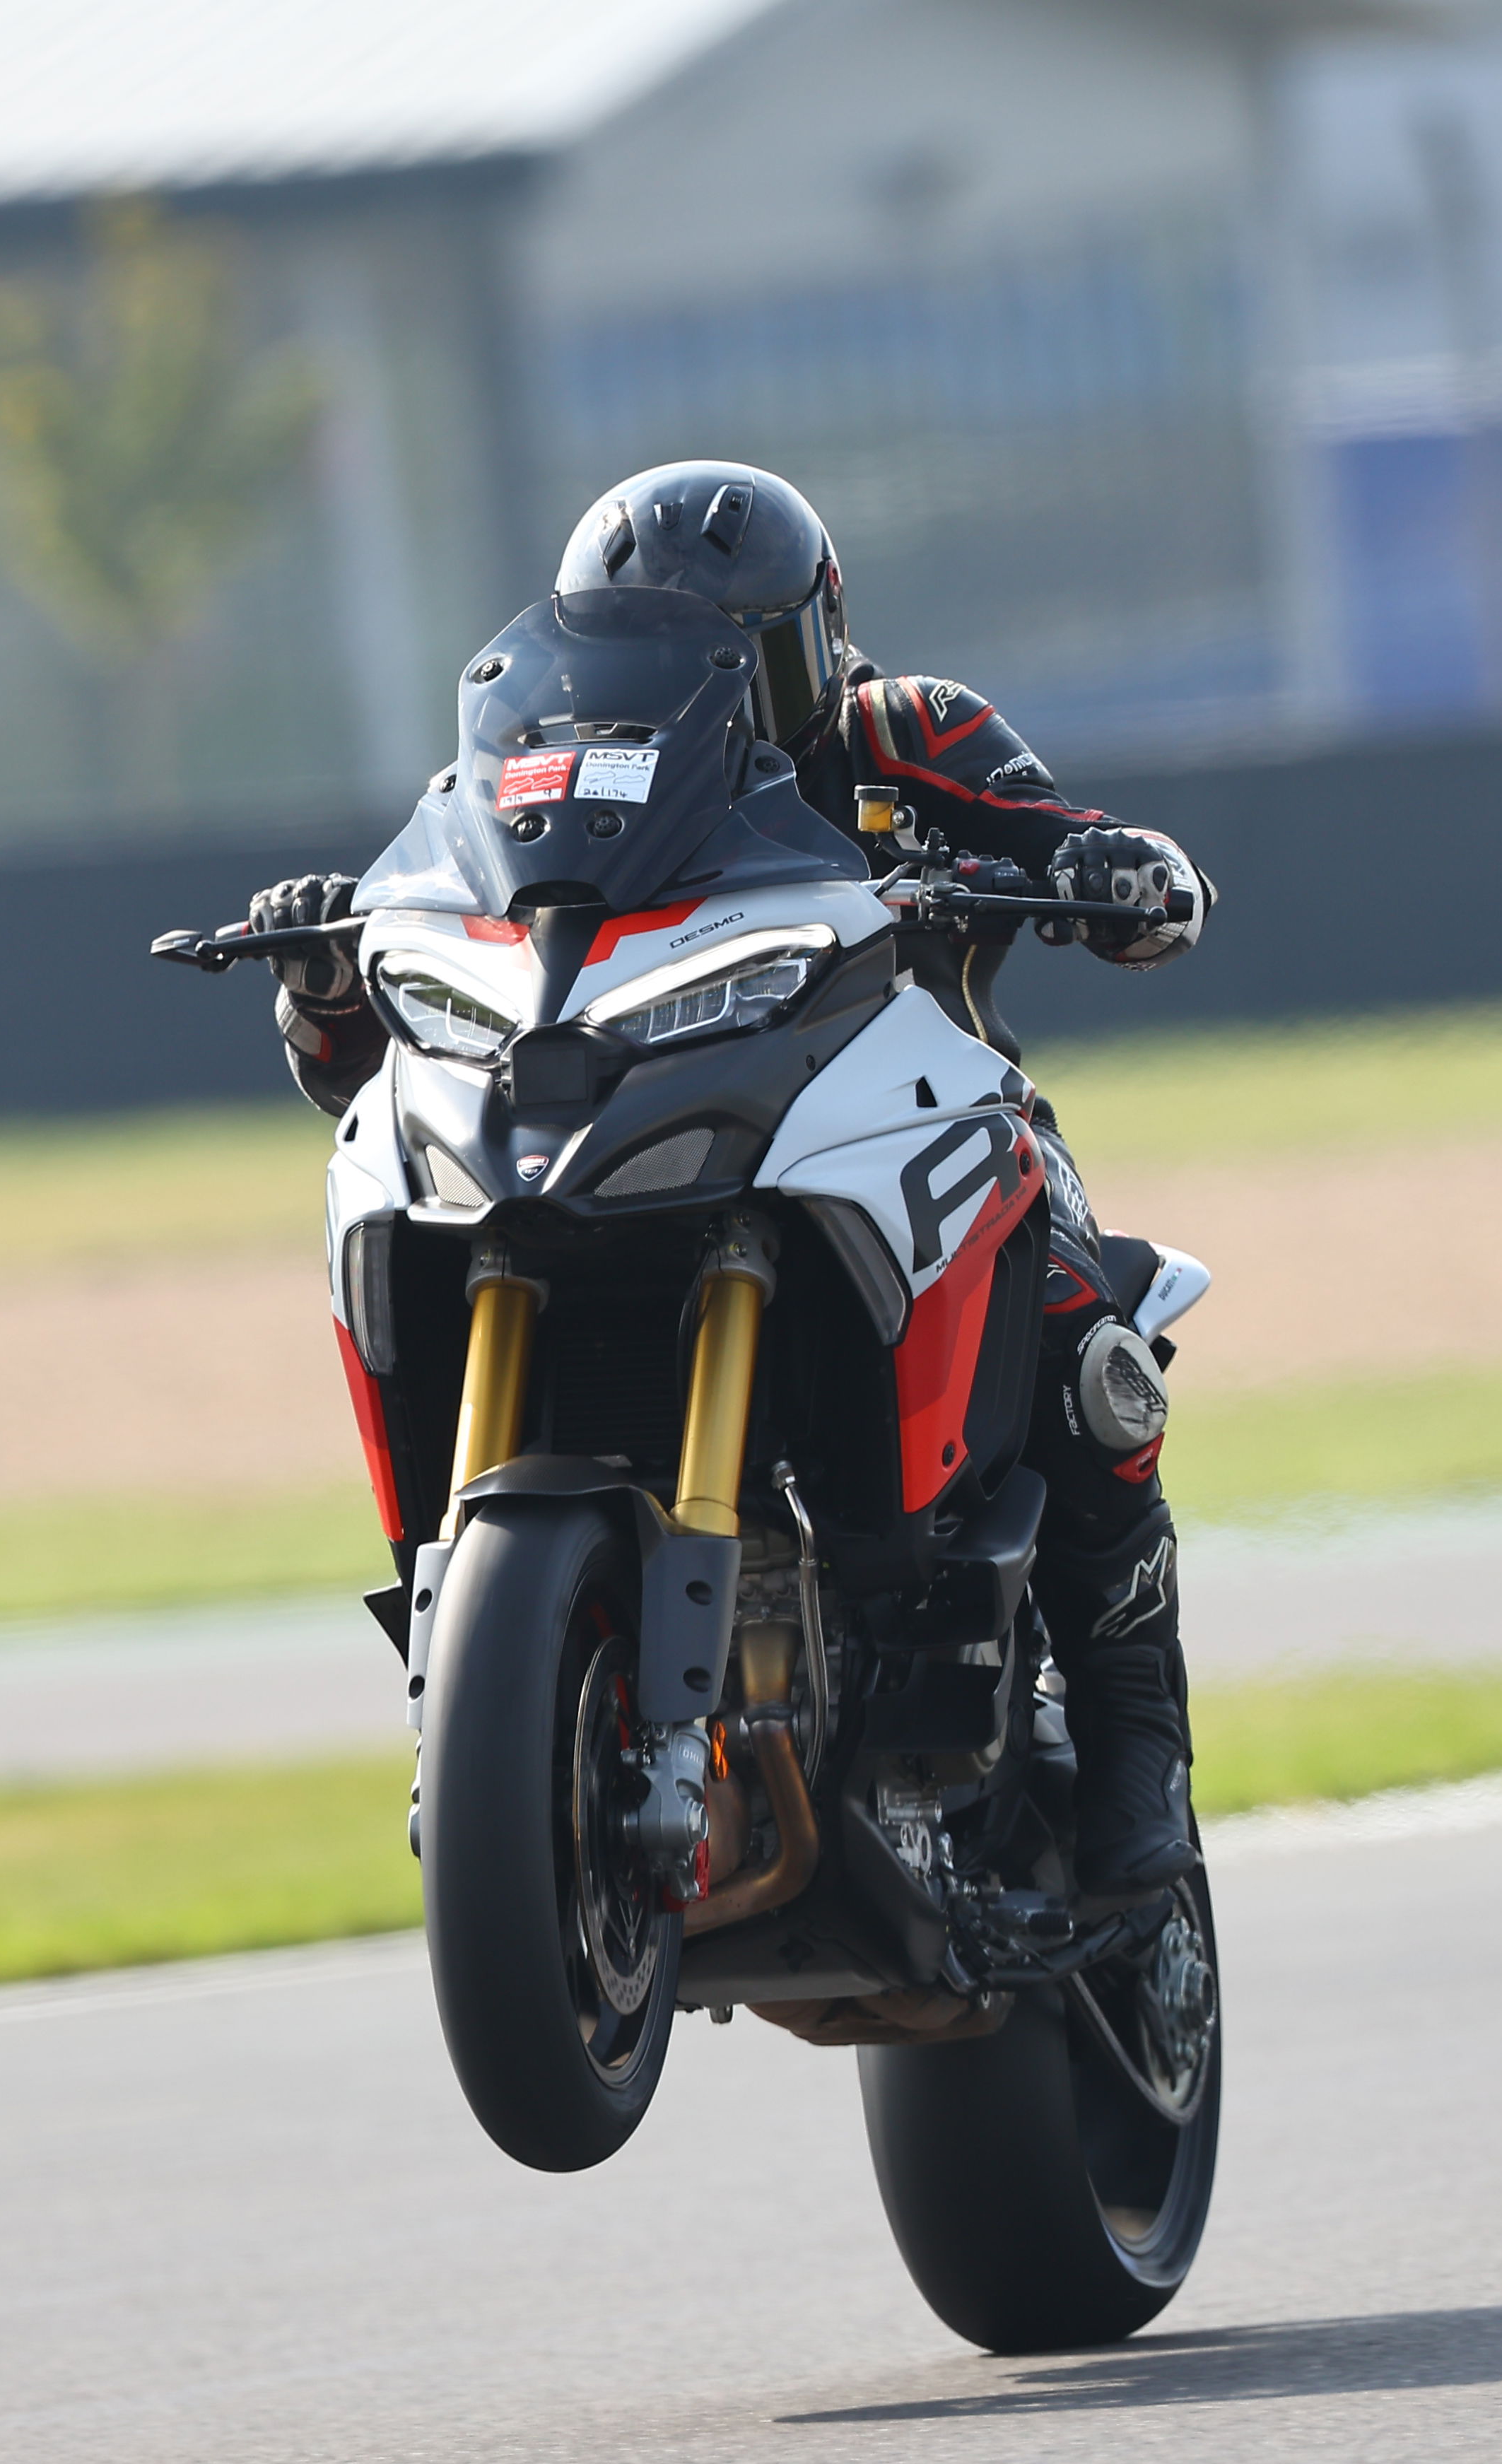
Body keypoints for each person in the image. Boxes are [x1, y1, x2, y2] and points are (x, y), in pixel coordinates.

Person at [247, 461, 1212, 1901]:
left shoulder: (910, 731)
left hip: (914, 1105)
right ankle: (505, 1697)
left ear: (814, 645)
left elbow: (1059, 845)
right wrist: (331, 971)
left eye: (740, 659)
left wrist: (1110, 872)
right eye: (638, 656)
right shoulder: (531, 784)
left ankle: (1141, 1744)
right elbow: (365, 1026)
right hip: (640, 1109)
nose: (699, 695)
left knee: (1086, 1334)